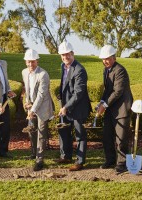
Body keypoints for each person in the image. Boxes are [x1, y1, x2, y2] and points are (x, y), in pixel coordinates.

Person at [55, 41, 92, 171]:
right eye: (63, 55)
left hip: (78, 108)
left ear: (73, 53)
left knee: (79, 135)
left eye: (67, 54)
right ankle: (66, 156)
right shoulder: (63, 66)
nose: (65, 57)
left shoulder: (79, 70)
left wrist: (66, 107)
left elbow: (79, 93)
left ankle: (79, 162)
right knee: (64, 131)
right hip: (66, 106)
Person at [97, 45, 133, 173]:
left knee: (121, 139)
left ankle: (122, 164)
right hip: (111, 108)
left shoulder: (120, 70)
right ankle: (110, 160)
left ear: (114, 57)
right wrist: (101, 102)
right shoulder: (106, 70)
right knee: (107, 136)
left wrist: (104, 105)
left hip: (122, 109)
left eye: (107, 58)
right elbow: (107, 90)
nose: (105, 61)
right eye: (103, 59)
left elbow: (118, 91)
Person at [22, 49, 54, 171]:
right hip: (31, 106)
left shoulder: (43, 74)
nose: (31, 65)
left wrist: (32, 110)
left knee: (41, 132)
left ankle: (39, 159)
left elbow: (41, 95)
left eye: (33, 62)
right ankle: (34, 153)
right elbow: (28, 90)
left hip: (43, 107)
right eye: (29, 62)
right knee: (31, 130)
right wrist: (27, 103)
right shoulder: (24, 72)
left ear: (37, 61)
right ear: (26, 62)